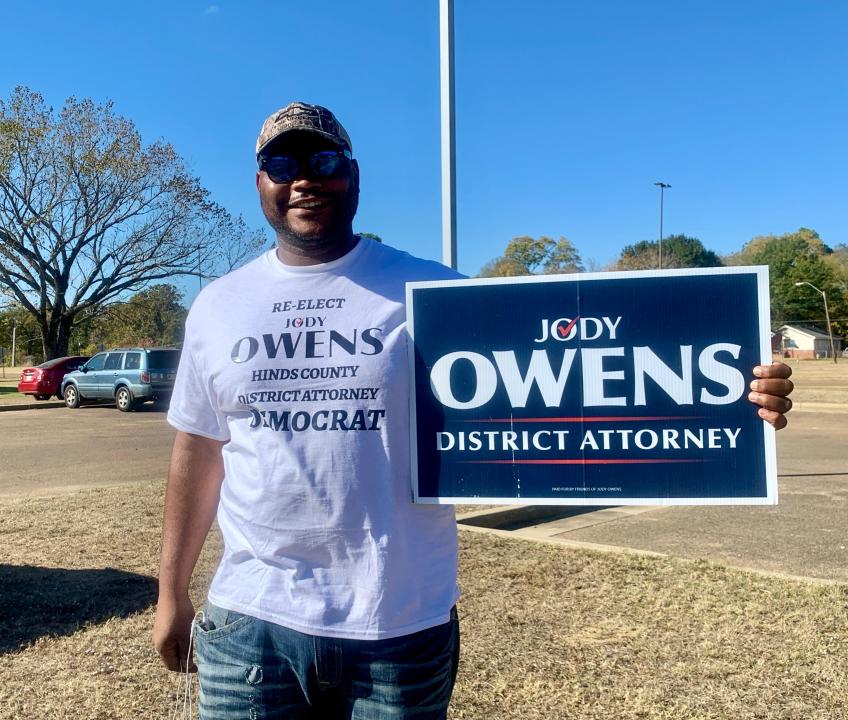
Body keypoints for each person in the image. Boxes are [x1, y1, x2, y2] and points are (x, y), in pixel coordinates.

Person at [152, 102, 795, 719]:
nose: (304, 181)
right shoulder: (218, 304)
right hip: (249, 626)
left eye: (322, 161)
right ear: (260, 182)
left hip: (398, 626)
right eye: (282, 167)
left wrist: (738, 391)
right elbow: (199, 451)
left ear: (352, 172)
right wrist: (170, 593)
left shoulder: (437, 295)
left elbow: (580, 379)